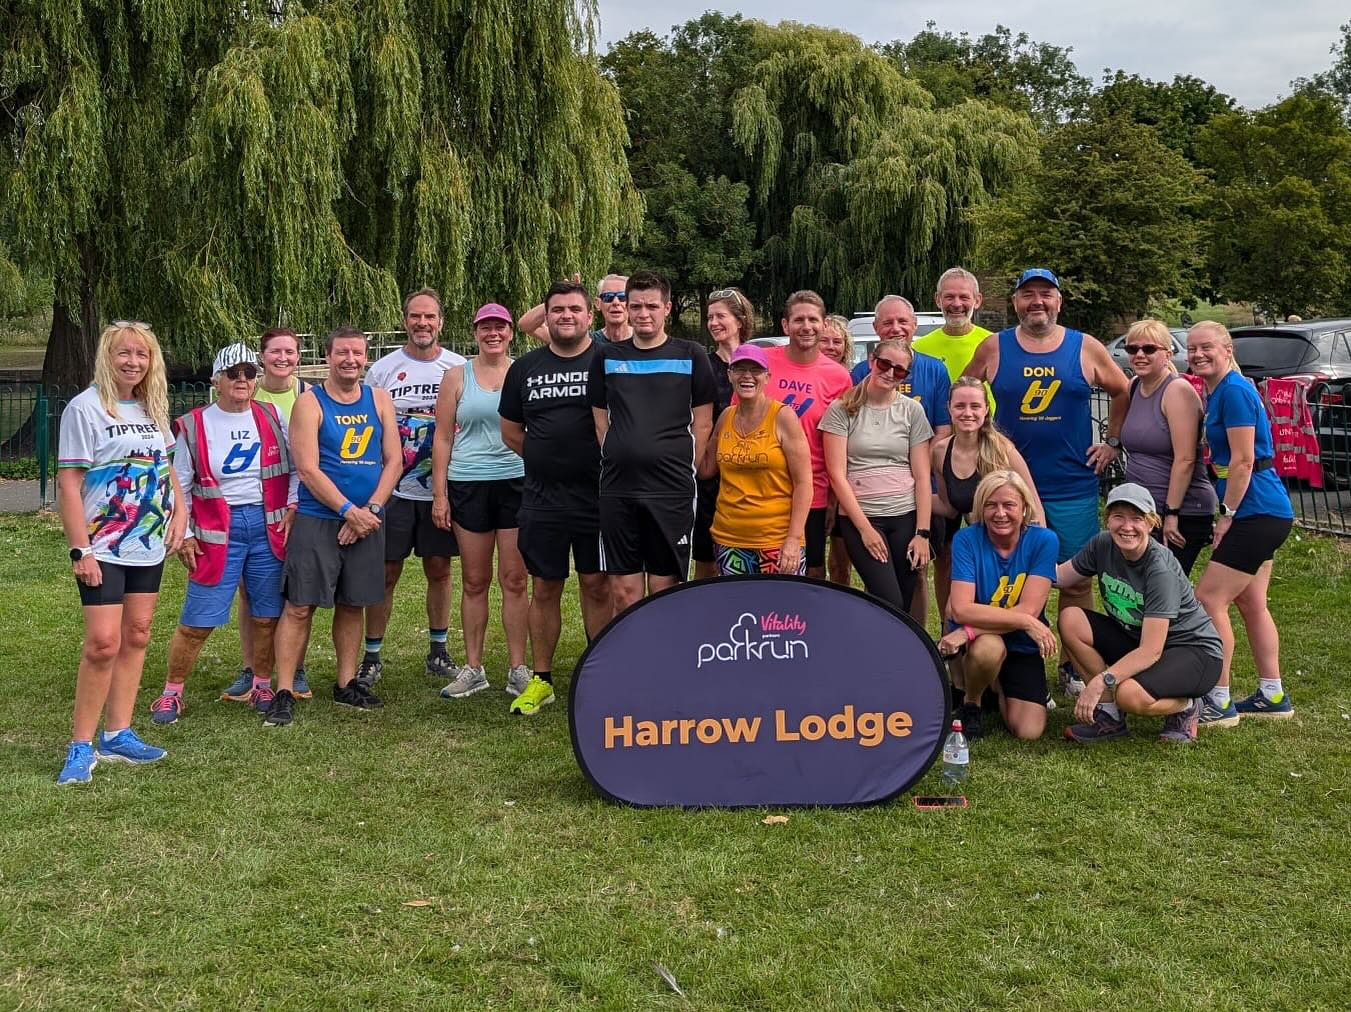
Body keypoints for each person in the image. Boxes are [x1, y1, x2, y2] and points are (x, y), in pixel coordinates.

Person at [963, 267, 1129, 694]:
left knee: (1076, 579)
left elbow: (1122, 389)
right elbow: (964, 392)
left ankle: (1071, 665)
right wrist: (974, 439)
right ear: (1015, 302)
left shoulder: (1085, 347)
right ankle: (1016, 662)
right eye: (1028, 294)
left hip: (1071, 484)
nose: (1037, 302)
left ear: (1059, 301)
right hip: (1008, 489)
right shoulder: (994, 346)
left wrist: (1112, 441)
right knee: (1008, 579)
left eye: (1045, 294)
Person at [55, 322, 187, 783]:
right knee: (102, 643)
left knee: (137, 634)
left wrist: (181, 514)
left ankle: (118, 734)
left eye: (142, 354)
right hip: (103, 544)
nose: (133, 362)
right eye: (124, 353)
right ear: (106, 358)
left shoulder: (152, 407)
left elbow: (166, 467)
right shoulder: (85, 408)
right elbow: (68, 484)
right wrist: (81, 549)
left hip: (147, 543)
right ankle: (80, 746)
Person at [149, 343, 298, 725]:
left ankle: (262, 684)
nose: (242, 379)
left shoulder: (273, 416)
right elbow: (180, 484)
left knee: (266, 615)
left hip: (267, 527)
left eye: (249, 372)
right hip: (217, 530)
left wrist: (293, 505)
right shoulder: (194, 424)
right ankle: (172, 692)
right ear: (216, 380)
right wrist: (184, 533)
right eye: (233, 373)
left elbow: (296, 467)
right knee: (197, 620)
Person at [263, 327, 402, 726]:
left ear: (366, 357)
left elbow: (394, 460)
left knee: (353, 603)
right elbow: (307, 468)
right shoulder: (310, 403)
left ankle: (346, 683)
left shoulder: (379, 399)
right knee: (300, 604)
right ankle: (284, 689)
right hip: (319, 518)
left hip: (367, 520)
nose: (350, 360)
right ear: (328, 356)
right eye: (342, 352)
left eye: (357, 353)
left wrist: (369, 511)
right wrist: (347, 511)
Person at [499, 280, 613, 715]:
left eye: (575, 309)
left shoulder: (608, 361)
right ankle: (542, 679)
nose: (566, 316)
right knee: (544, 586)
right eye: (558, 309)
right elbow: (511, 431)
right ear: (546, 316)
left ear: (590, 316)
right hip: (542, 499)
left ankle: (600, 675)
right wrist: (547, 458)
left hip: (598, 497)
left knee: (596, 585)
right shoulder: (525, 368)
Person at [1187, 322, 1296, 727]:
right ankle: (1273, 694)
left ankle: (1219, 700)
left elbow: (1244, 460)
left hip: (1256, 512)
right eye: (1192, 348)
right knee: (1251, 603)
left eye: (1207, 347)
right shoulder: (1220, 389)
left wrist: (1227, 514)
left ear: (1227, 349)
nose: (1198, 354)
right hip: (1267, 510)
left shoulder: (1233, 391)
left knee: (1209, 599)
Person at [1055, 484, 1223, 744]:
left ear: (1151, 523)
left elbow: (1151, 651)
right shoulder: (1102, 544)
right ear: (1107, 519)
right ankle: (1109, 716)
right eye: (1118, 516)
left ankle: (1187, 705)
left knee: (1129, 695)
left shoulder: (1160, 569)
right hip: (1139, 639)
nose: (1127, 526)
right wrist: (1020, 556)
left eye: (1137, 518)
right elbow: (1059, 577)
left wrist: (1100, 681)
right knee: (1071, 619)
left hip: (1193, 651)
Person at [589, 270, 716, 611]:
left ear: (667, 308)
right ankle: (632, 648)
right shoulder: (607, 357)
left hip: (671, 490)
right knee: (624, 593)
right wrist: (623, 454)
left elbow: (703, 422)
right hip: (619, 488)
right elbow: (600, 421)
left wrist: (682, 466)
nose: (643, 313)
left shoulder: (691, 354)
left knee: (664, 589)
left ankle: (663, 647)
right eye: (636, 306)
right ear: (627, 309)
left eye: (652, 306)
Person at [359, 289, 466, 688]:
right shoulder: (383, 370)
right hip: (394, 490)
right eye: (415, 316)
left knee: (439, 568)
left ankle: (438, 651)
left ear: (441, 322)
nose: (423, 323)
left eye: (430, 317)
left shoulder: (458, 367)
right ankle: (372, 655)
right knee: (386, 571)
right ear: (405, 321)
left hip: (440, 488)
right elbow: (368, 426)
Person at [430, 303, 529, 699]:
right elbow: (442, 437)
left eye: (500, 327)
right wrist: (440, 494)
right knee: (474, 581)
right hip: (469, 483)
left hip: (516, 481)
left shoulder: (522, 372)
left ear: (510, 332)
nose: (493, 334)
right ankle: (473, 668)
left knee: (515, 580)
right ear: (475, 333)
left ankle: (518, 668)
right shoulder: (456, 376)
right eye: (485, 327)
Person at [937, 471, 1058, 740]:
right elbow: (961, 609)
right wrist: (1025, 621)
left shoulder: (1044, 540)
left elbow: (1030, 609)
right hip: (986, 640)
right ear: (981, 508)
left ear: (1024, 507)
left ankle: (995, 683)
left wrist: (968, 631)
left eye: (1009, 505)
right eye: (991, 505)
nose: (1000, 513)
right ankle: (972, 702)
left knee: (1029, 731)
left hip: (1017, 640)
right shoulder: (966, 539)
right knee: (989, 649)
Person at [226, 326, 313, 702]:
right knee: (250, 591)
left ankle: (297, 667)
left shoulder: (308, 394)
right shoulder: (246, 390)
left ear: (298, 357)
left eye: (290, 352)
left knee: (298, 591)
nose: (283, 358)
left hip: (300, 502)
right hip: (256, 507)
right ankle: (251, 668)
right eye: (275, 351)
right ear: (262, 357)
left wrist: (296, 503)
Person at [820, 338, 935, 612]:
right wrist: (865, 530)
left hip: (905, 515)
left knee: (904, 599)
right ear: (872, 361)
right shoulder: (842, 409)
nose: (890, 373)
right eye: (885, 364)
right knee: (888, 601)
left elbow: (922, 475)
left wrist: (923, 533)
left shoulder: (912, 410)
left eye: (900, 370)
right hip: (862, 516)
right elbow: (837, 475)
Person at [930, 377, 1044, 623]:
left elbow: (1033, 505)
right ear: (949, 408)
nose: (967, 413)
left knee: (987, 616)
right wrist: (903, 495)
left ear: (986, 409)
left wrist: (1036, 555)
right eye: (960, 406)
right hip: (975, 546)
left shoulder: (1003, 450)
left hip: (1008, 547)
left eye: (975, 406)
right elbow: (948, 507)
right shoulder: (940, 452)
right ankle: (949, 638)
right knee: (952, 612)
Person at [698, 344, 812, 575]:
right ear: (729, 375)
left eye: (755, 370)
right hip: (730, 538)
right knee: (737, 599)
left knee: (780, 600)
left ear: (767, 377)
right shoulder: (726, 416)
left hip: (776, 540)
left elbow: (804, 483)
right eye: (740, 369)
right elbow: (705, 469)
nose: (747, 376)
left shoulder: (783, 417)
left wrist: (793, 538)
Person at [763, 291, 853, 579]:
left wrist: (833, 498)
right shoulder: (763, 363)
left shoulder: (838, 376)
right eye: (798, 320)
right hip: (764, 489)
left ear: (824, 324)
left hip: (813, 491)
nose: (806, 326)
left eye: (813, 320)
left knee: (811, 572)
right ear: (785, 325)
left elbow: (839, 443)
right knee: (765, 571)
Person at [1118, 319, 1216, 577]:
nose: (1139, 355)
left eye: (1149, 349)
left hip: (1181, 510)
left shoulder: (1177, 391)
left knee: (1166, 586)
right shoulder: (1134, 386)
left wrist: (1171, 513)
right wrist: (1111, 444)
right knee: (1139, 585)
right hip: (1143, 507)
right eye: (1132, 349)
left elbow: (1185, 459)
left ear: (1168, 353)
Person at [692, 287, 752, 579]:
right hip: (711, 473)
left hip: (753, 469)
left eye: (720, 316)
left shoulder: (759, 362)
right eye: (709, 317)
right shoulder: (703, 365)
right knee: (706, 558)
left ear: (739, 321)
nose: (713, 323)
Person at [820, 315, 855, 586]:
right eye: (825, 340)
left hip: (844, 474)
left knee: (841, 557)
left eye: (837, 341)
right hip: (814, 472)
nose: (831, 347)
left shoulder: (850, 382)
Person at [914, 267, 993, 387]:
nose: (956, 304)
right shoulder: (918, 349)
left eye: (964, 297)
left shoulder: (994, 345)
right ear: (938, 300)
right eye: (949, 297)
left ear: (977, 300)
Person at [518, 273, 633, 345]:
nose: (616, 302)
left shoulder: (641, 339)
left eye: (622, 297)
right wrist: (560, 298)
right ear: (598, 304)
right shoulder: (584, 343)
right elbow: (526, 325)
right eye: (608, 297)